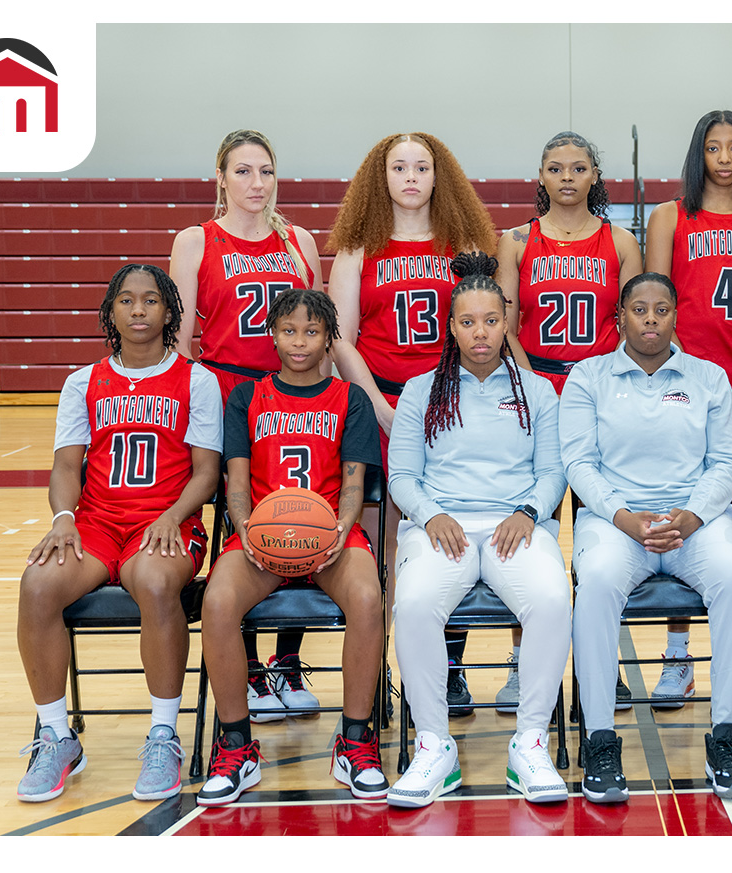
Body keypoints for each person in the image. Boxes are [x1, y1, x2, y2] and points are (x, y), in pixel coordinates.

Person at [15, 264, 222, 802]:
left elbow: (206, 471)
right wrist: (63, 521)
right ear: (110, 313)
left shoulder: (197, 381)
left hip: (166, 521)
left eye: (150, 300)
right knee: (37, 584)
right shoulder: (82, 382)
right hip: (98, 523)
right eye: (126, 301)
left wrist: (174, 515)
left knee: (155, 583)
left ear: (170, 312)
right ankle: (56, 737)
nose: (137, 310)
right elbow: (66, 467)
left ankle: (163, 734)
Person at [561, 272, 732, 803]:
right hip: (616, 521)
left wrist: (692, 515)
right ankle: (600, 738)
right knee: (597, 582)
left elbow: (725, 463)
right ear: (620, 317)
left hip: (694, 519)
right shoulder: (587, 377)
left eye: (662, 309)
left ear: (676, 315)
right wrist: (624, 516)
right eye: (639, 310)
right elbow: (578, 462)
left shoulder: (710, 377)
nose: (651, 319)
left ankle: (726, 736)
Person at [385, 253, 571, 808]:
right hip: (442, 527)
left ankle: (531, 741)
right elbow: (402, 476)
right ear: (451, 327)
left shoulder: (538, 392)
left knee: (553, 598)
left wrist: (530, 512)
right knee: (414, 605)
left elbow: (552, 471)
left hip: (515, 525)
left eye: (490, 320)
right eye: (467, 322)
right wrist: (430, 515)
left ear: (507, 321)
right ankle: (434, 747)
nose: (480, 332)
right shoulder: (421, 391)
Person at [326, 132, 498, 716]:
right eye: (398, 167)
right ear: (382, 178)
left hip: (454, 405)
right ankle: (390, 668)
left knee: (449, 531)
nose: (410, 177)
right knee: (386, 542)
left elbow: (486, 329)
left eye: (421, 167)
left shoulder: (465, 243)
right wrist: (375, 402)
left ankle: (447, 667)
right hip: (383, 403)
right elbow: (340, 340)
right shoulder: (356, 248)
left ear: (437, 175)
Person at [196, 289, 386, 806]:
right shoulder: (246, 398)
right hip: (260, 537)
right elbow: (235, 483)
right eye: (288, 330)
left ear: (329, 339)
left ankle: (356, 740)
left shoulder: (350, 400)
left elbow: (353, 486)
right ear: (272, 334)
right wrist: (247, 531)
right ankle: (236, 745)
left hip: (329, 537)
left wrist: (339, 533)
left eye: (312, 332)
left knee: (368, 599)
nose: (299, 342)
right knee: (216, 601)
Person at [169, 129, 326, 722]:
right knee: (241, 527)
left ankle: (288, 661)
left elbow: (321, 329)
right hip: (229, 393)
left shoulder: (300, 241)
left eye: (265, 171)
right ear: (221, 177)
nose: (256, 184)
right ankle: (252, 669)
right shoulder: (195, 241)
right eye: (243, 172)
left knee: (300, 516)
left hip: (298, 395)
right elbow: (182, 342)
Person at [496, 130, 642, 713]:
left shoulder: (622, 241)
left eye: (578, 168)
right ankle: (521, 659)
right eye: (555, 167)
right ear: (541, 176)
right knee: (528, 531)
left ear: (593, 176)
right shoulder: (515, 242)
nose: (566, 177)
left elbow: (640, 321)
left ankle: (600, 664)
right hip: (535, 387)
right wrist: (535, 387)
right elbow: (503, 326)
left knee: (598, 531)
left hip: (601, 394)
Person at [644, 109, 732, 709]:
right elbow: (648, 306)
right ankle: (677, 657)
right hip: (684, 382)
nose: (723, 158)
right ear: (698, 155)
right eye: (712, 147)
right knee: (678, 504)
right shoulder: (670, 217)